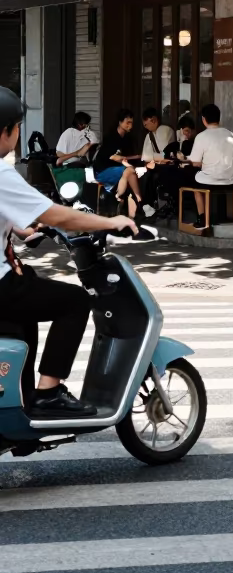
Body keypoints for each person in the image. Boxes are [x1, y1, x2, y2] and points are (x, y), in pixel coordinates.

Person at [0, 86, 137, 416]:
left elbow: (15, 216)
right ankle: (48, 393)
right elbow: (57, 213)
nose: (18, 134)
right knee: (74, 301)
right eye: (17, 127)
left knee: (30, 297)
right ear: (5, 131)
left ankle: (22, 396)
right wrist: (110, 222)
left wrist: (25, 230)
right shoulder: (3, 172)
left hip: (9, 274)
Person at [190, 103, 233, 231]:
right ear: (219, 118)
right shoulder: (231, 135)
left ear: (203, 119)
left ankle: (202, 217)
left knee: (194, 184)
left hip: (210, 180)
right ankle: (221, 215)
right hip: (230, 179)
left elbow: (194, 162)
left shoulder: (201, 136)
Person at [93, 109, 147, 220]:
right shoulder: (111, 137)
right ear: (120, 122)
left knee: (131, 172)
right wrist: (132, 159)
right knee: (129, 171)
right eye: (127, 122)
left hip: (121, 169)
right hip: (103, 170)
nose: (130, 125)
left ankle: (137, 205)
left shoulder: (128, 138)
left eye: (131, 122)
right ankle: (137, 202)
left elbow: (128, 158)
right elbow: (113, 157)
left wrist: (135, 160)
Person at [139, 107, 175, 213]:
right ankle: (146, 205)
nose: (146, 127)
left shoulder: (165, 130)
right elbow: (146, 157)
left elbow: (164, 155)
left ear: (154, 120)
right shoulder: (149, 135)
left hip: (166, 166)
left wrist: (152, 160)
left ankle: (148, 205)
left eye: (146, 124)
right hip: (154, 165)